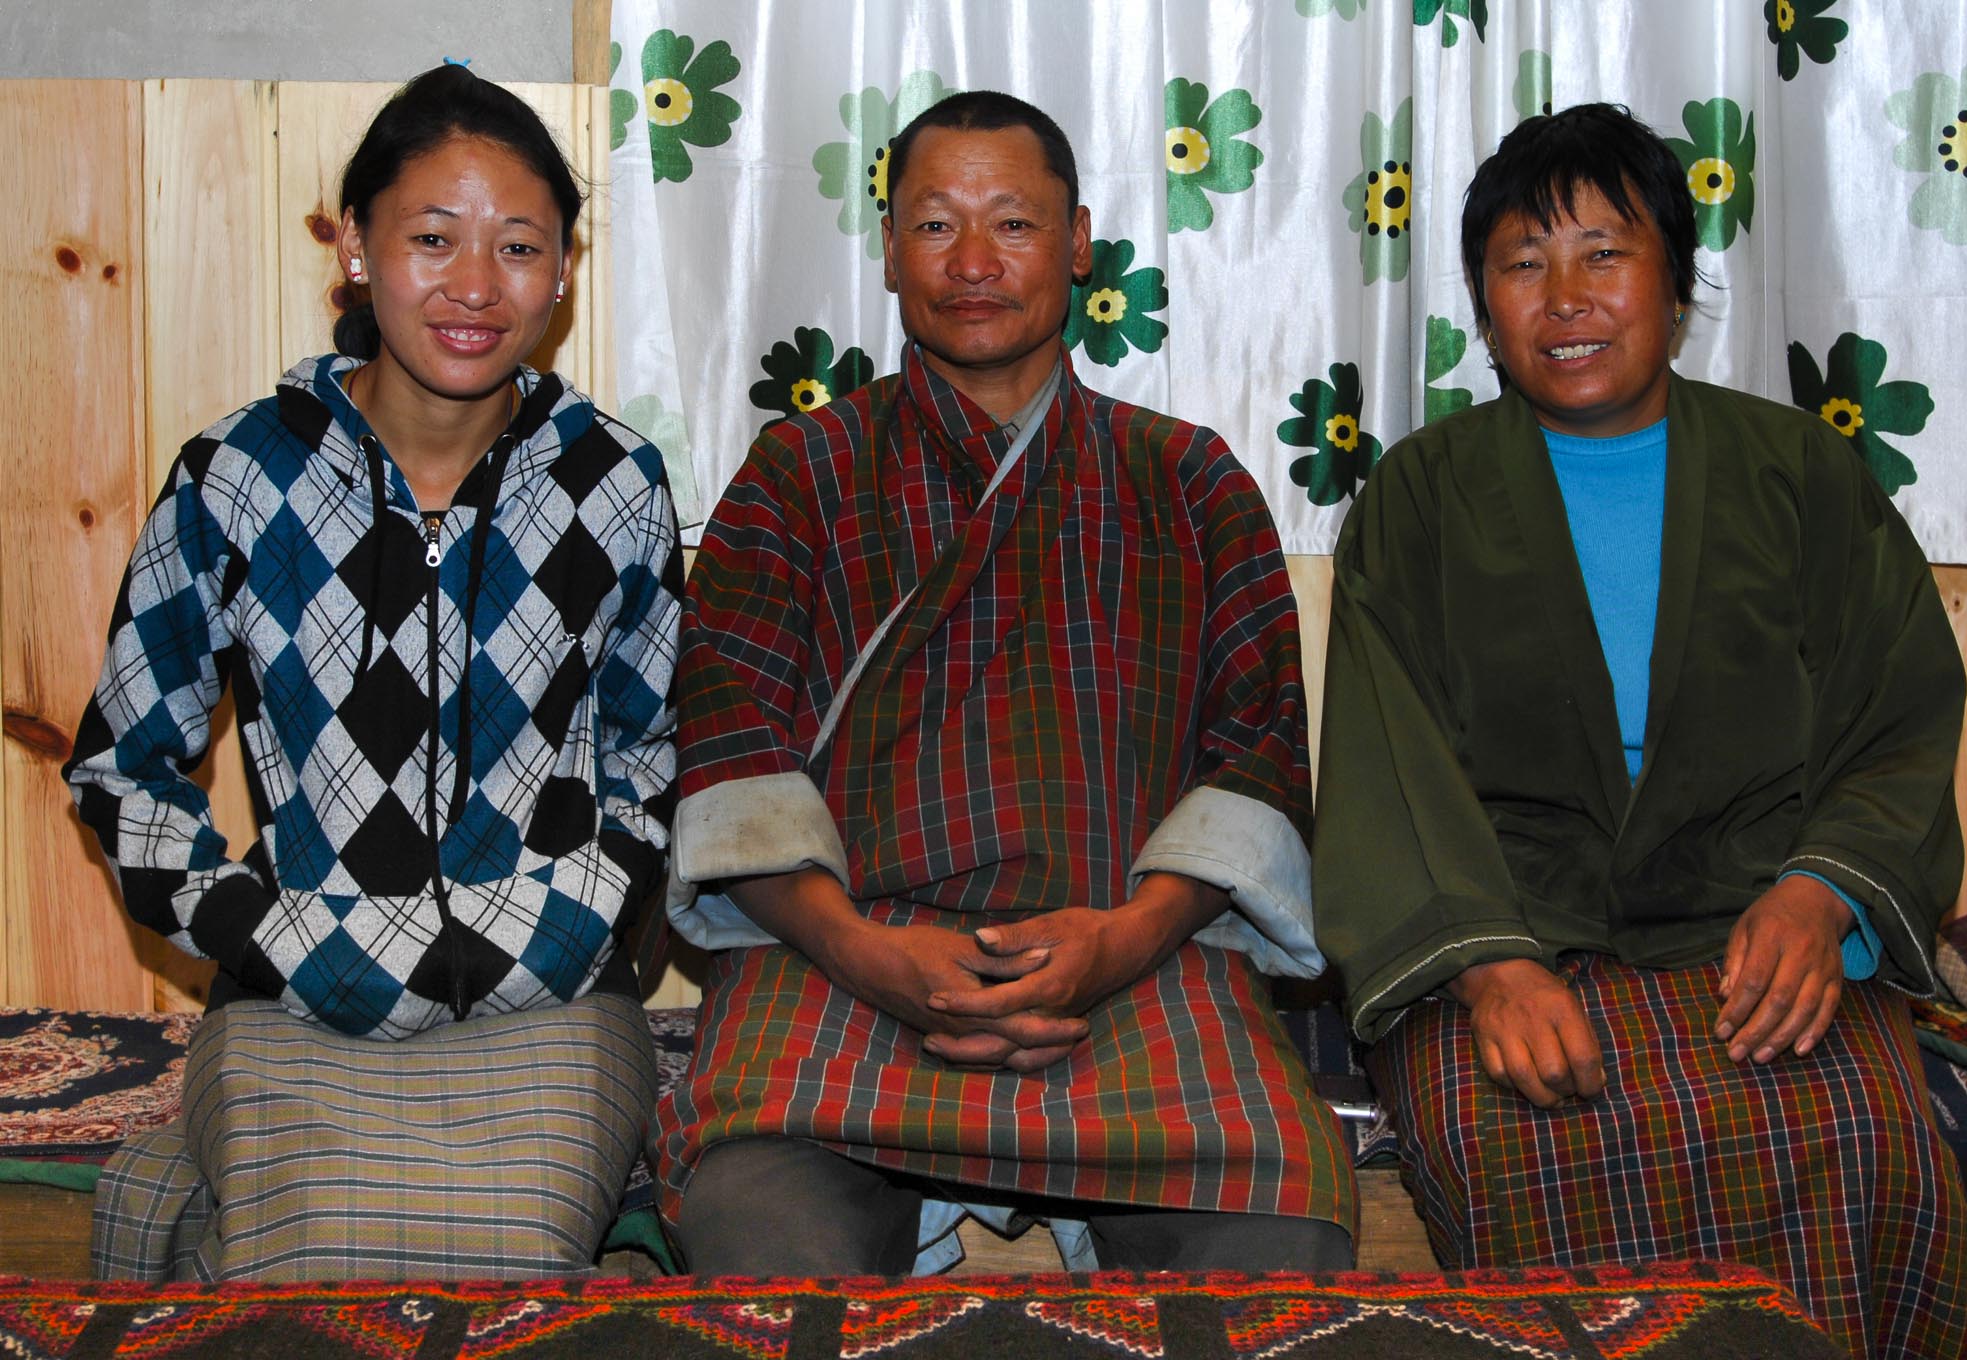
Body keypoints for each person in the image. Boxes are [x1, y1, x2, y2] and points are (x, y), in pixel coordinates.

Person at [1313, 103, 1967, 1357]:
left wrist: (1821, 898)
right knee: (1511, 1139)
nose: (1564, 295)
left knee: (1862, 1138)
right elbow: (1387, 764)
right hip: (1511, 929)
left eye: (1603, 252)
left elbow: (1893, 718)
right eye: (1522, 263)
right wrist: (1488, 965)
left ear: (1676, 286)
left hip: (1758, 921)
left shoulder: (1797, 475)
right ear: (1485, 306)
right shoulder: (1417, 498)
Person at [652, 90, 1354, 1274]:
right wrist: (870, 954)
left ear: (1076, 243)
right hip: (843, 958)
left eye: (1012, 225)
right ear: (886, 247)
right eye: (934, 225)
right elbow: (729, 745)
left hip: (1133, 960)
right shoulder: (800, 470)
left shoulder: (1188, 480)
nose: (971, 263)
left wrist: (1122, 938)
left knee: (1278, 1252)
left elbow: (1260, 753)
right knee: (760, 1255)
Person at [65, 65, 683, 1281]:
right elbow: (122, 763)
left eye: (518, 246)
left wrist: (552, 931)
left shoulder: (613, 482)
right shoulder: (240, 473)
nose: (473, 285)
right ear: (355, 245)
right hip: (299, 990)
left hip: (548, 998)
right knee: (312, 1273)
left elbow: (654, 757)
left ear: (561, 274)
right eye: (432, 238)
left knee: (500, 1265)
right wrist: (266, 933)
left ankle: (198, 1198)